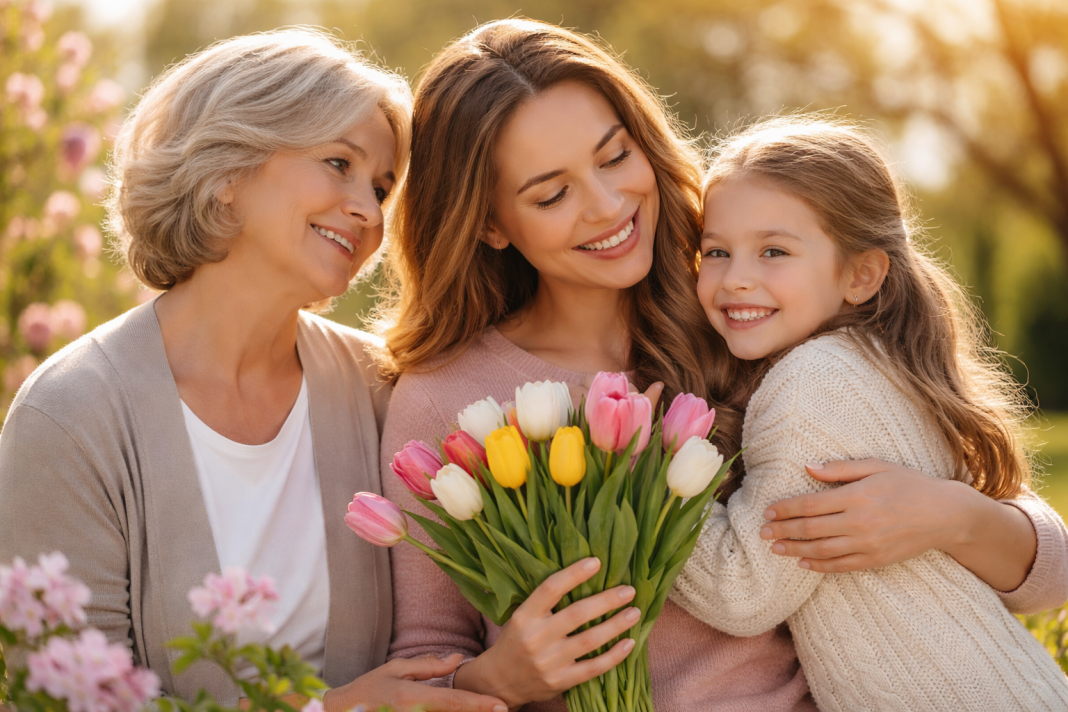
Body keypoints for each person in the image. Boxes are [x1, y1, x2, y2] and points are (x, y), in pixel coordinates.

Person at [376, 19, 1068, 711]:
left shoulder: (744, 317)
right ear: (489, 223)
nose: (608, 206)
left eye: (615, 157)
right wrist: (499, 678)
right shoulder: (450, 398)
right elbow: (423, 660)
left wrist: (956, 517)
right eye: (552, 195)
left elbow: (1050, 573)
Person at [0, 29, 506, 712]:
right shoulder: (69, 414)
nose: (368, 211)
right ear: (227, 171)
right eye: (338, 163)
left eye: (381, 188)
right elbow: (66, 701)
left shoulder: (379, 388)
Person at [669, 115, 1068, 710]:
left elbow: (745, 592)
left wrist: (641, 477)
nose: (737, 279)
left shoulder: (813, 383)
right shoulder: (887, 364)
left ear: (861, 275)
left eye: (774, 251)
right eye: (717, 252)